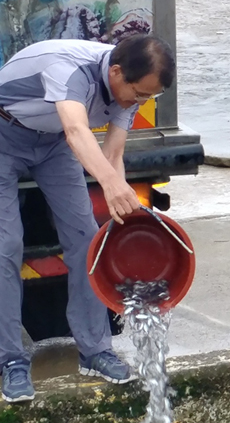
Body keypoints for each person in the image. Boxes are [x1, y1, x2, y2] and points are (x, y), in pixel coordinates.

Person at [0, 35, 174, 402]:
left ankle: (95, 349)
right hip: (5, 132)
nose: (138, 103)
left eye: (148, 99)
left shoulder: (128, 88)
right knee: (7, 246)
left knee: (87, 239)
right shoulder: (69, 68)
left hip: (52, 145)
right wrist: (111, 186)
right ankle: (11, 360)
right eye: (138, 94)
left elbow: (112, 154)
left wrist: (121, 201)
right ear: (115, 71)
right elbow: (77, 131)